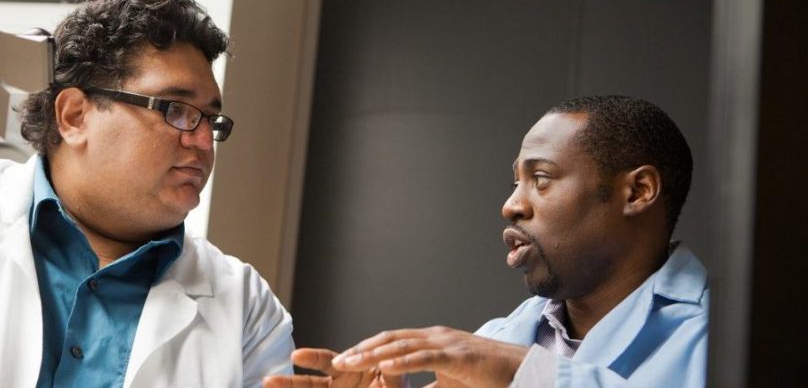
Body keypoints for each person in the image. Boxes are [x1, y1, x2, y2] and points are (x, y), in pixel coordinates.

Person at [0, 0, 293, 387]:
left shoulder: (246, 307)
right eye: (175, 110)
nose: (202, 143)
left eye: (210, 120)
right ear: (75, 115)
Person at [265, 95, 706, 388]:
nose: (511, 206)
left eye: (542, 178)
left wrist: (521, 373)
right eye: (516, 181)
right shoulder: (499, 337)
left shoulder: (722, 336)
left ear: (637, 192)